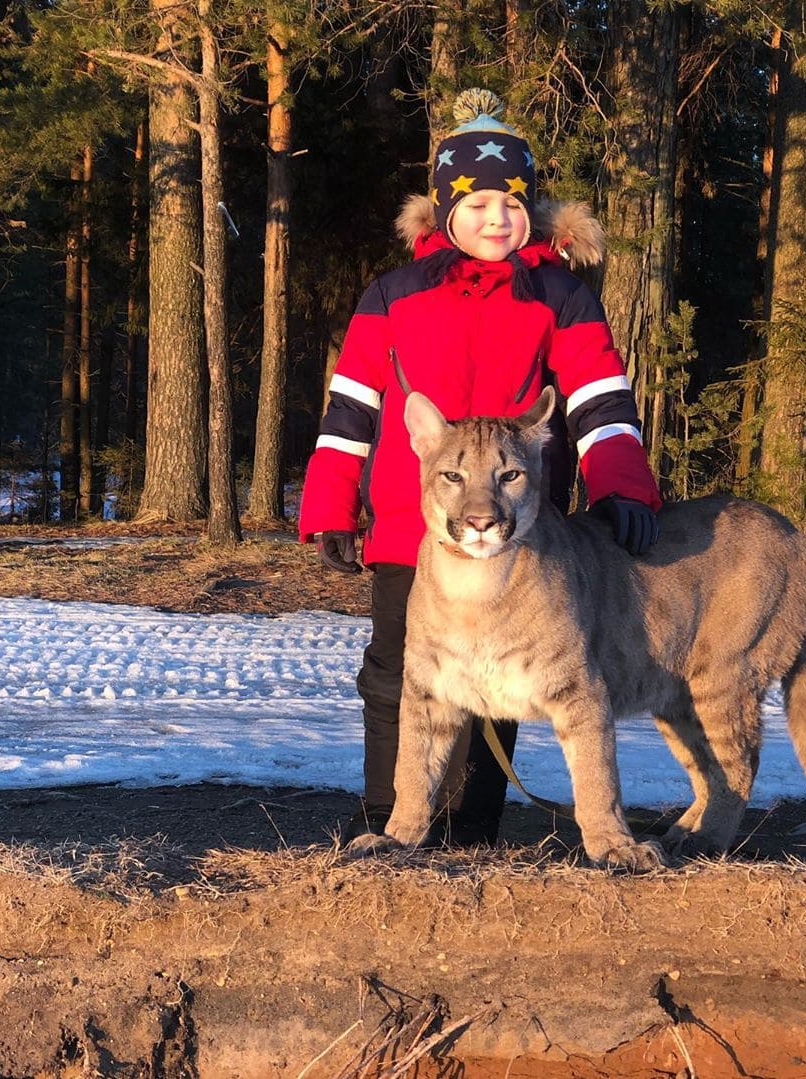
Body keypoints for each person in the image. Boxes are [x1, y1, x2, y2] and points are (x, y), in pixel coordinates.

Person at [298, 88, 662, 846]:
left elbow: (598, 399)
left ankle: (472, 829)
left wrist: (623, 485)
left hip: (517, 529)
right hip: (411, 523)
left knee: (503, 680)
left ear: (532, 209)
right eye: (476, 204)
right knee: (398, 675)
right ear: (443, 210)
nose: (495, 220)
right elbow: (351, 409)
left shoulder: (558, 295)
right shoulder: (393, 296)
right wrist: (331, 504)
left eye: (511, 204)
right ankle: (388, 824)